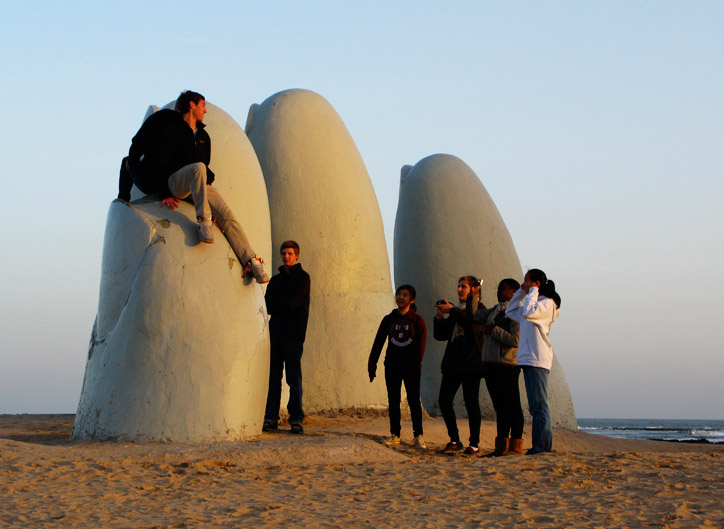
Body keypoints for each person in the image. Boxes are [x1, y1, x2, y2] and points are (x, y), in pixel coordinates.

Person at [119, 90, 268, 284]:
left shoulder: (203, 136)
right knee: (198, 169)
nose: (205, 110)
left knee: (226, 213)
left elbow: (204, 165)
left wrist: (205, 191)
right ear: (192, 105)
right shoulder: (170, 126)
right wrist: (164, 191)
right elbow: (159, 159)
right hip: (175, 181)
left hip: (196, 183)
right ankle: (203, 221)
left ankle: (250, 258)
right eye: (202, 105)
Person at [505, 268, 561, 455]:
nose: (525, 283)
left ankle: (542, 447)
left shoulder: (546, 304)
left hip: (538, 358)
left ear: (536, 283)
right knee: (535, 406)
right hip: (528, 358)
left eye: (527, 281)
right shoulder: (534, 302)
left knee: (539, 405)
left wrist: (533, 291)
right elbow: (511, 310)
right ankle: (541, 446)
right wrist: (521, 292)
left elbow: (529, 312)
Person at [368, 285, 427, 448]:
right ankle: (395, 434)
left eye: (405, 295)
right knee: (393, 400)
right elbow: (378, 342)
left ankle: (418, 435)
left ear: (412, 300)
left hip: (411, 367)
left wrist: (416, 365)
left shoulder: (418, 320)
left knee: (414, 400)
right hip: (392, 365)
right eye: (399, 294)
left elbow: (420, 346)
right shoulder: (389, 319)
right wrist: (372, 364)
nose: (401, 297)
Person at [262, 241, 311, 434]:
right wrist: (284, 304)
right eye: (283, 253)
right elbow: (268, 306)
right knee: (273, 379)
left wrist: (281, 303)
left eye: (289, 253)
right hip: (276, 334)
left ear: (296, 255)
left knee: (293, 379)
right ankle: (271, 417)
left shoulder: (303, 278)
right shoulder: (275, 280)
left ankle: (296, 418)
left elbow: (294, 302)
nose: (286, 256)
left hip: (294, 335)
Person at [435, 276, 486, 455]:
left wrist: (453, 311)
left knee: (471, 402)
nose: (459, 290)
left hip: (471, 363)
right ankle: (455, 439)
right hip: (453, 363)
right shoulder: (456, 311)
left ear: (474, 289)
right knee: (444, 400)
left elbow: (472, 326)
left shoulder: (480, 309)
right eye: (458, 286)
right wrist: (440, 316)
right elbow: (440, 335)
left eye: (463, 286)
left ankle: (474, 443)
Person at [473, 278, 523, 456]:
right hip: (491, 364)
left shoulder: (516, 312)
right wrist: (474, 296)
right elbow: (474, 315)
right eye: (499, 288)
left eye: (504, 289)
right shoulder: (495, 310)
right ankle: (501, 447)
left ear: (514, 293)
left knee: (512, 406)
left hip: (507, 365)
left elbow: (515, 340)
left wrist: (492, 330)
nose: (499, 291)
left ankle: (515, 446)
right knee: (501, 407)